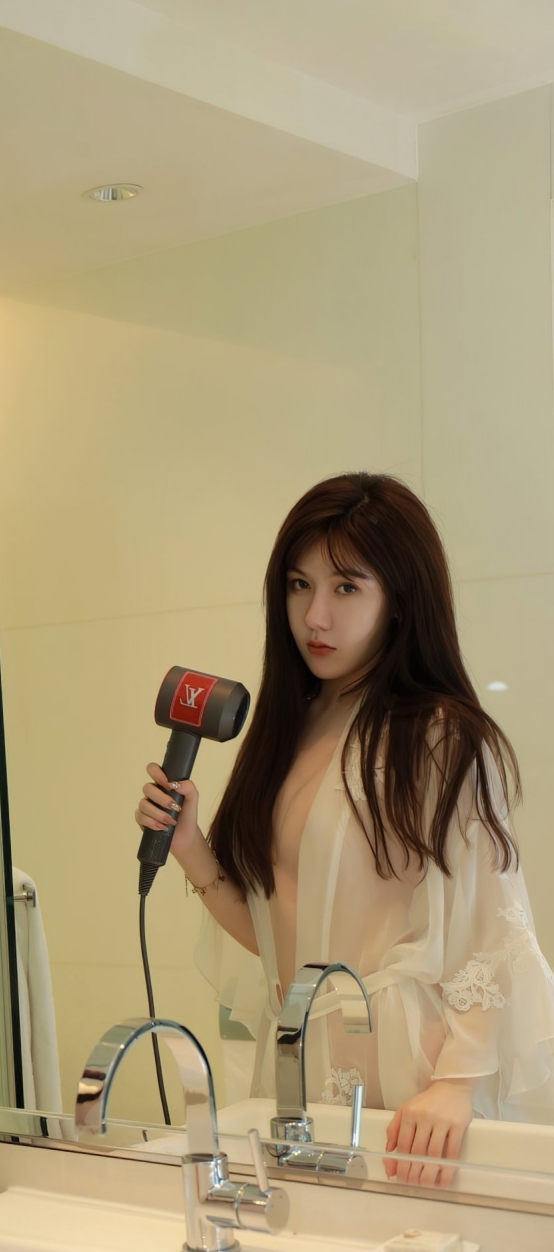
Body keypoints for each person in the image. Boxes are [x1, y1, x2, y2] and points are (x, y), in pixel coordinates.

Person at [134, 472, 554, 1174]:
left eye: (346, 588)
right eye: (299, 585)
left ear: (400, 600)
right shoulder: (291, 728)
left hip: (410, 1083)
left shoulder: (440, 736)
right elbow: (280, 940)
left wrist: (456, 1085)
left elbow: (496, 929)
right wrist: (191, 847)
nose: (315, 617)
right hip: (299, 1065)